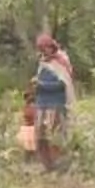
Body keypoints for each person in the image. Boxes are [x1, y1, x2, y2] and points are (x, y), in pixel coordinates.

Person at [28, 29, 75, 171]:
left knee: (54, 136)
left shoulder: (61, 61)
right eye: (41, 49)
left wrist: (43, 85)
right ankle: (47, 166)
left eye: (45, 48)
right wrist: (36, 84)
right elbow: (41, 78)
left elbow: (63, 84)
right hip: (42, 104)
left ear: (51, 46)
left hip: (56, 104)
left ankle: (59, 165)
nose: (43, 52)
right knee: (41, 136)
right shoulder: (43, 61)